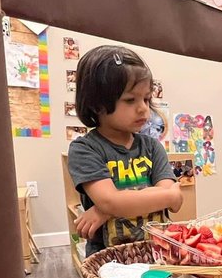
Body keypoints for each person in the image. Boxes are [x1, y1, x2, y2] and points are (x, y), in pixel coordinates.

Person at [67, 46, 182, 258]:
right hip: (109, 264)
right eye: (130, 100)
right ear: (98, 105)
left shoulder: (151, 146)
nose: (143, 109)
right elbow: (112, 200)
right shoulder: (85, 149)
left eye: (146, 99)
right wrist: (112, 205)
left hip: (158, 256)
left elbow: (175, 201)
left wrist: (106, 210)